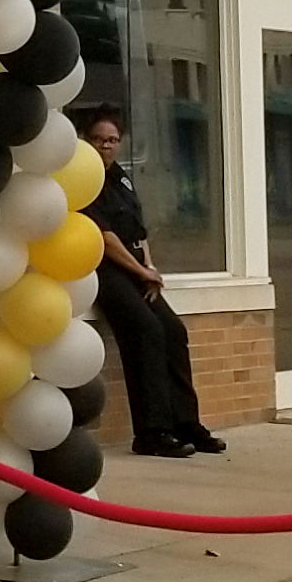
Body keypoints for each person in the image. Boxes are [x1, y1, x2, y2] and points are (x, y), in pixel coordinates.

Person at [78, 109, 224, 458]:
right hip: (106, 271)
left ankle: (187, 424)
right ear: (86, 140)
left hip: (135, 268)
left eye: (112, 140)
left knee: (173, 331)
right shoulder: (83, 179)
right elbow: (105, 236)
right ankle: (152, 432)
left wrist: (150, 266)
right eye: (99, 139)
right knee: (145, 331)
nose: (105, 146)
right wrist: (141, 272)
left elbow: (138, 232)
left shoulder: (122, 178)